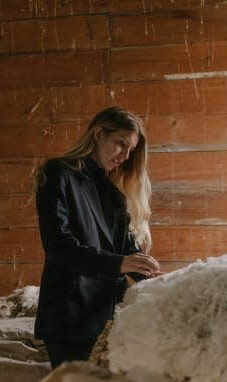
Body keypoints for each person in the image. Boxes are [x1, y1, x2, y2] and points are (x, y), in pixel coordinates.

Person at [33, 106, 162, 368]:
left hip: (107, 315)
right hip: (68, 317)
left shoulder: (113, 193)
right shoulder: (58, 173)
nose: (125, 155)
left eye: (130, 150)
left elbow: (127, 249)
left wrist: (155, 278)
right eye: (120, 144)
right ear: (99, 133)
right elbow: (59, 247)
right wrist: (119, 264)